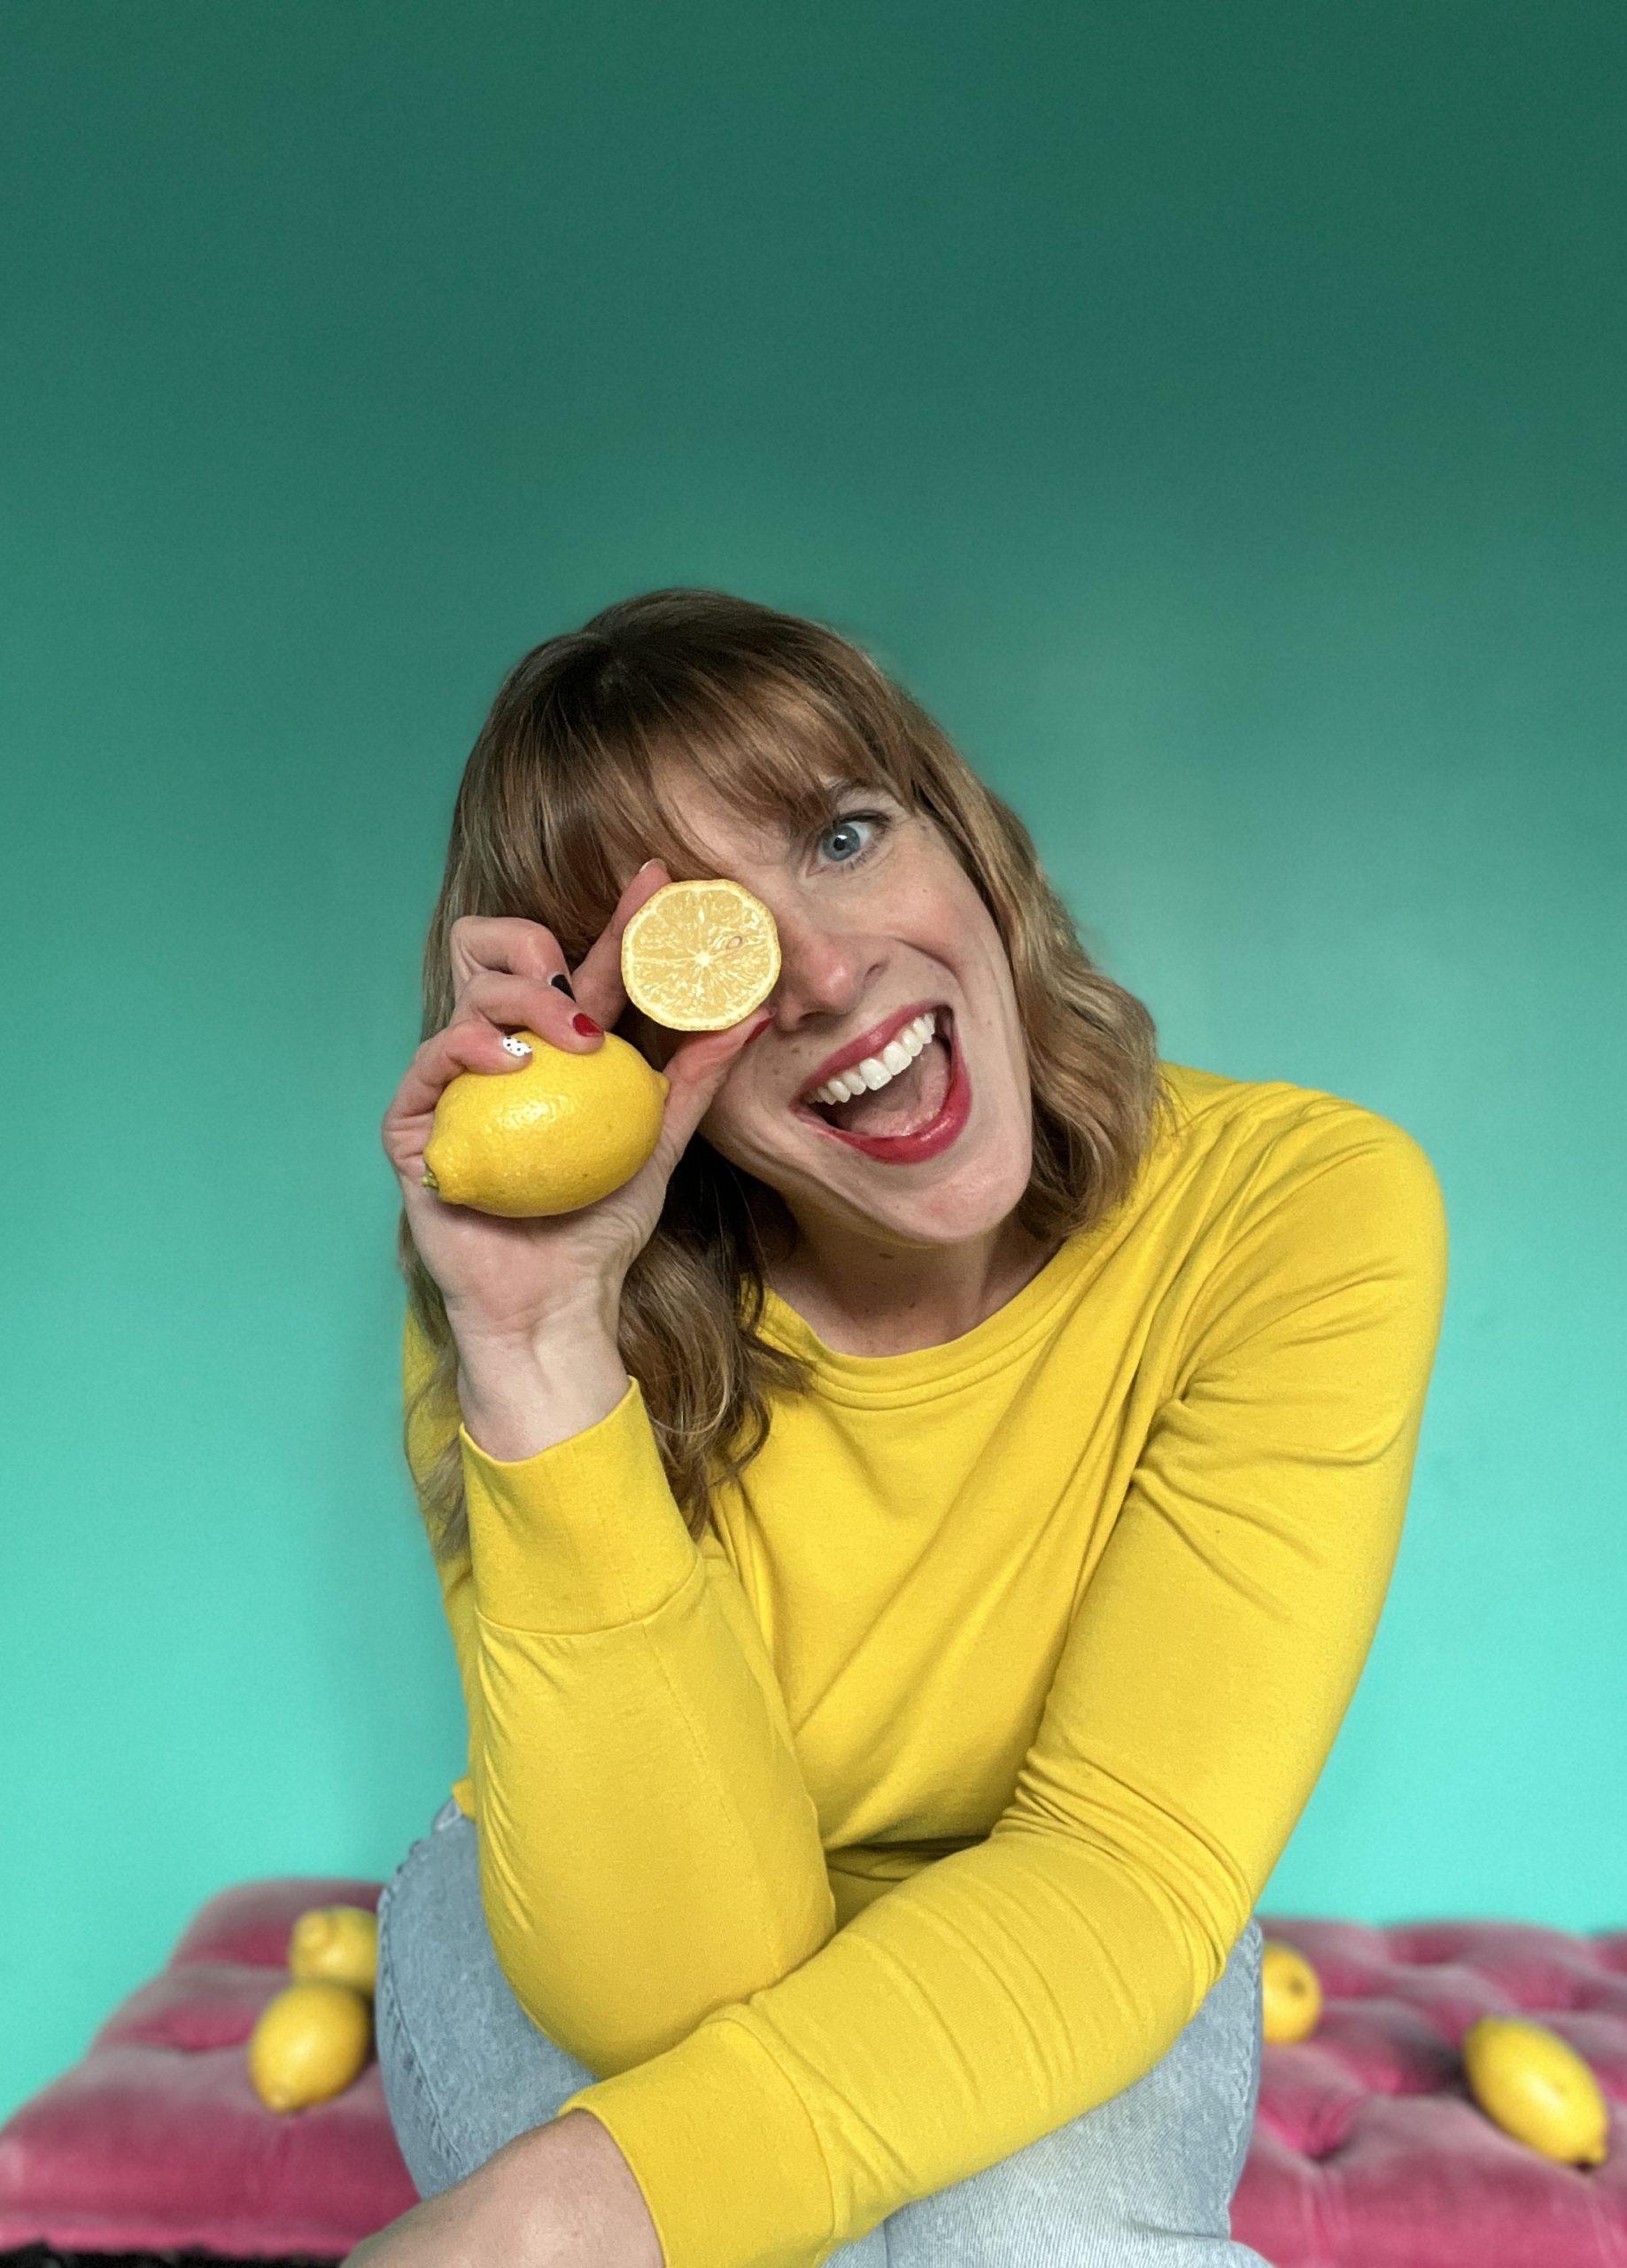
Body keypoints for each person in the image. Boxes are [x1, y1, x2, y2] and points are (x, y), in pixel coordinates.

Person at [363, 588, 1449, 2268]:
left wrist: (572, 2206)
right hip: (590, 1899)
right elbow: (673, 1981)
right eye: (702, 940)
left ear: (971, 842)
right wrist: (538, 1337)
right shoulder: (523, 1293)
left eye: (846, 835)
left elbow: (1113, 1869)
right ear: (620, 1037)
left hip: (1064, 1893)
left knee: (1046, 2231)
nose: (818, 970)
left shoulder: (1298, 1217)